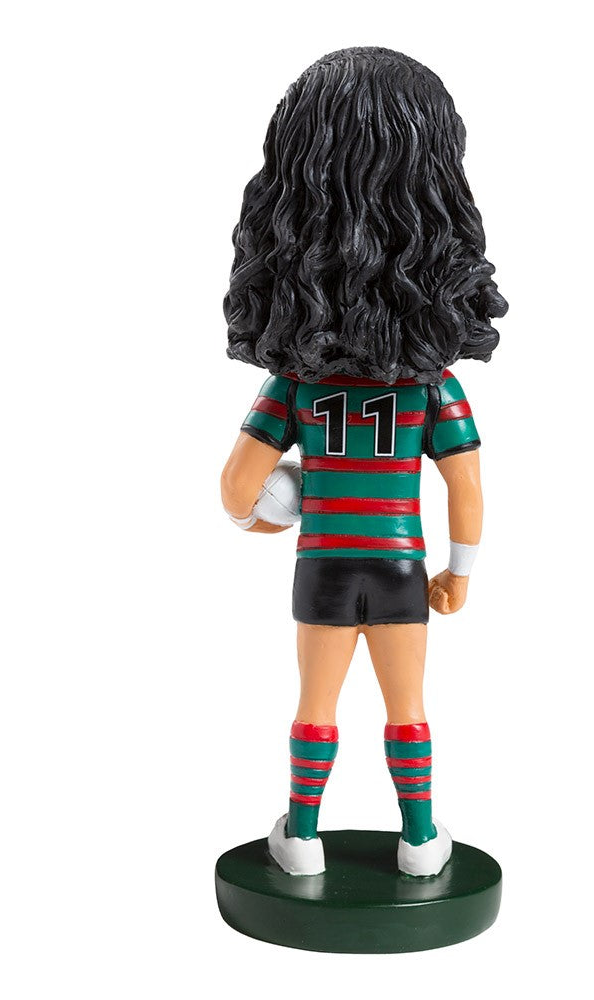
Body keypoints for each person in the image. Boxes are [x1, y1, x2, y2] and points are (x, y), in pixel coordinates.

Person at [219, 48, 506, 877]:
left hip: (323, 566)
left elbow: (236, 490)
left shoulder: (296, 383)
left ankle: (303, 840)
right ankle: (419, 840)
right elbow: (466, 484)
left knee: (316, 706)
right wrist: (461, 573)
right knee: (407, 707)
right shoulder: (434, 386)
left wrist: (277, 508)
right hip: (402, 564)